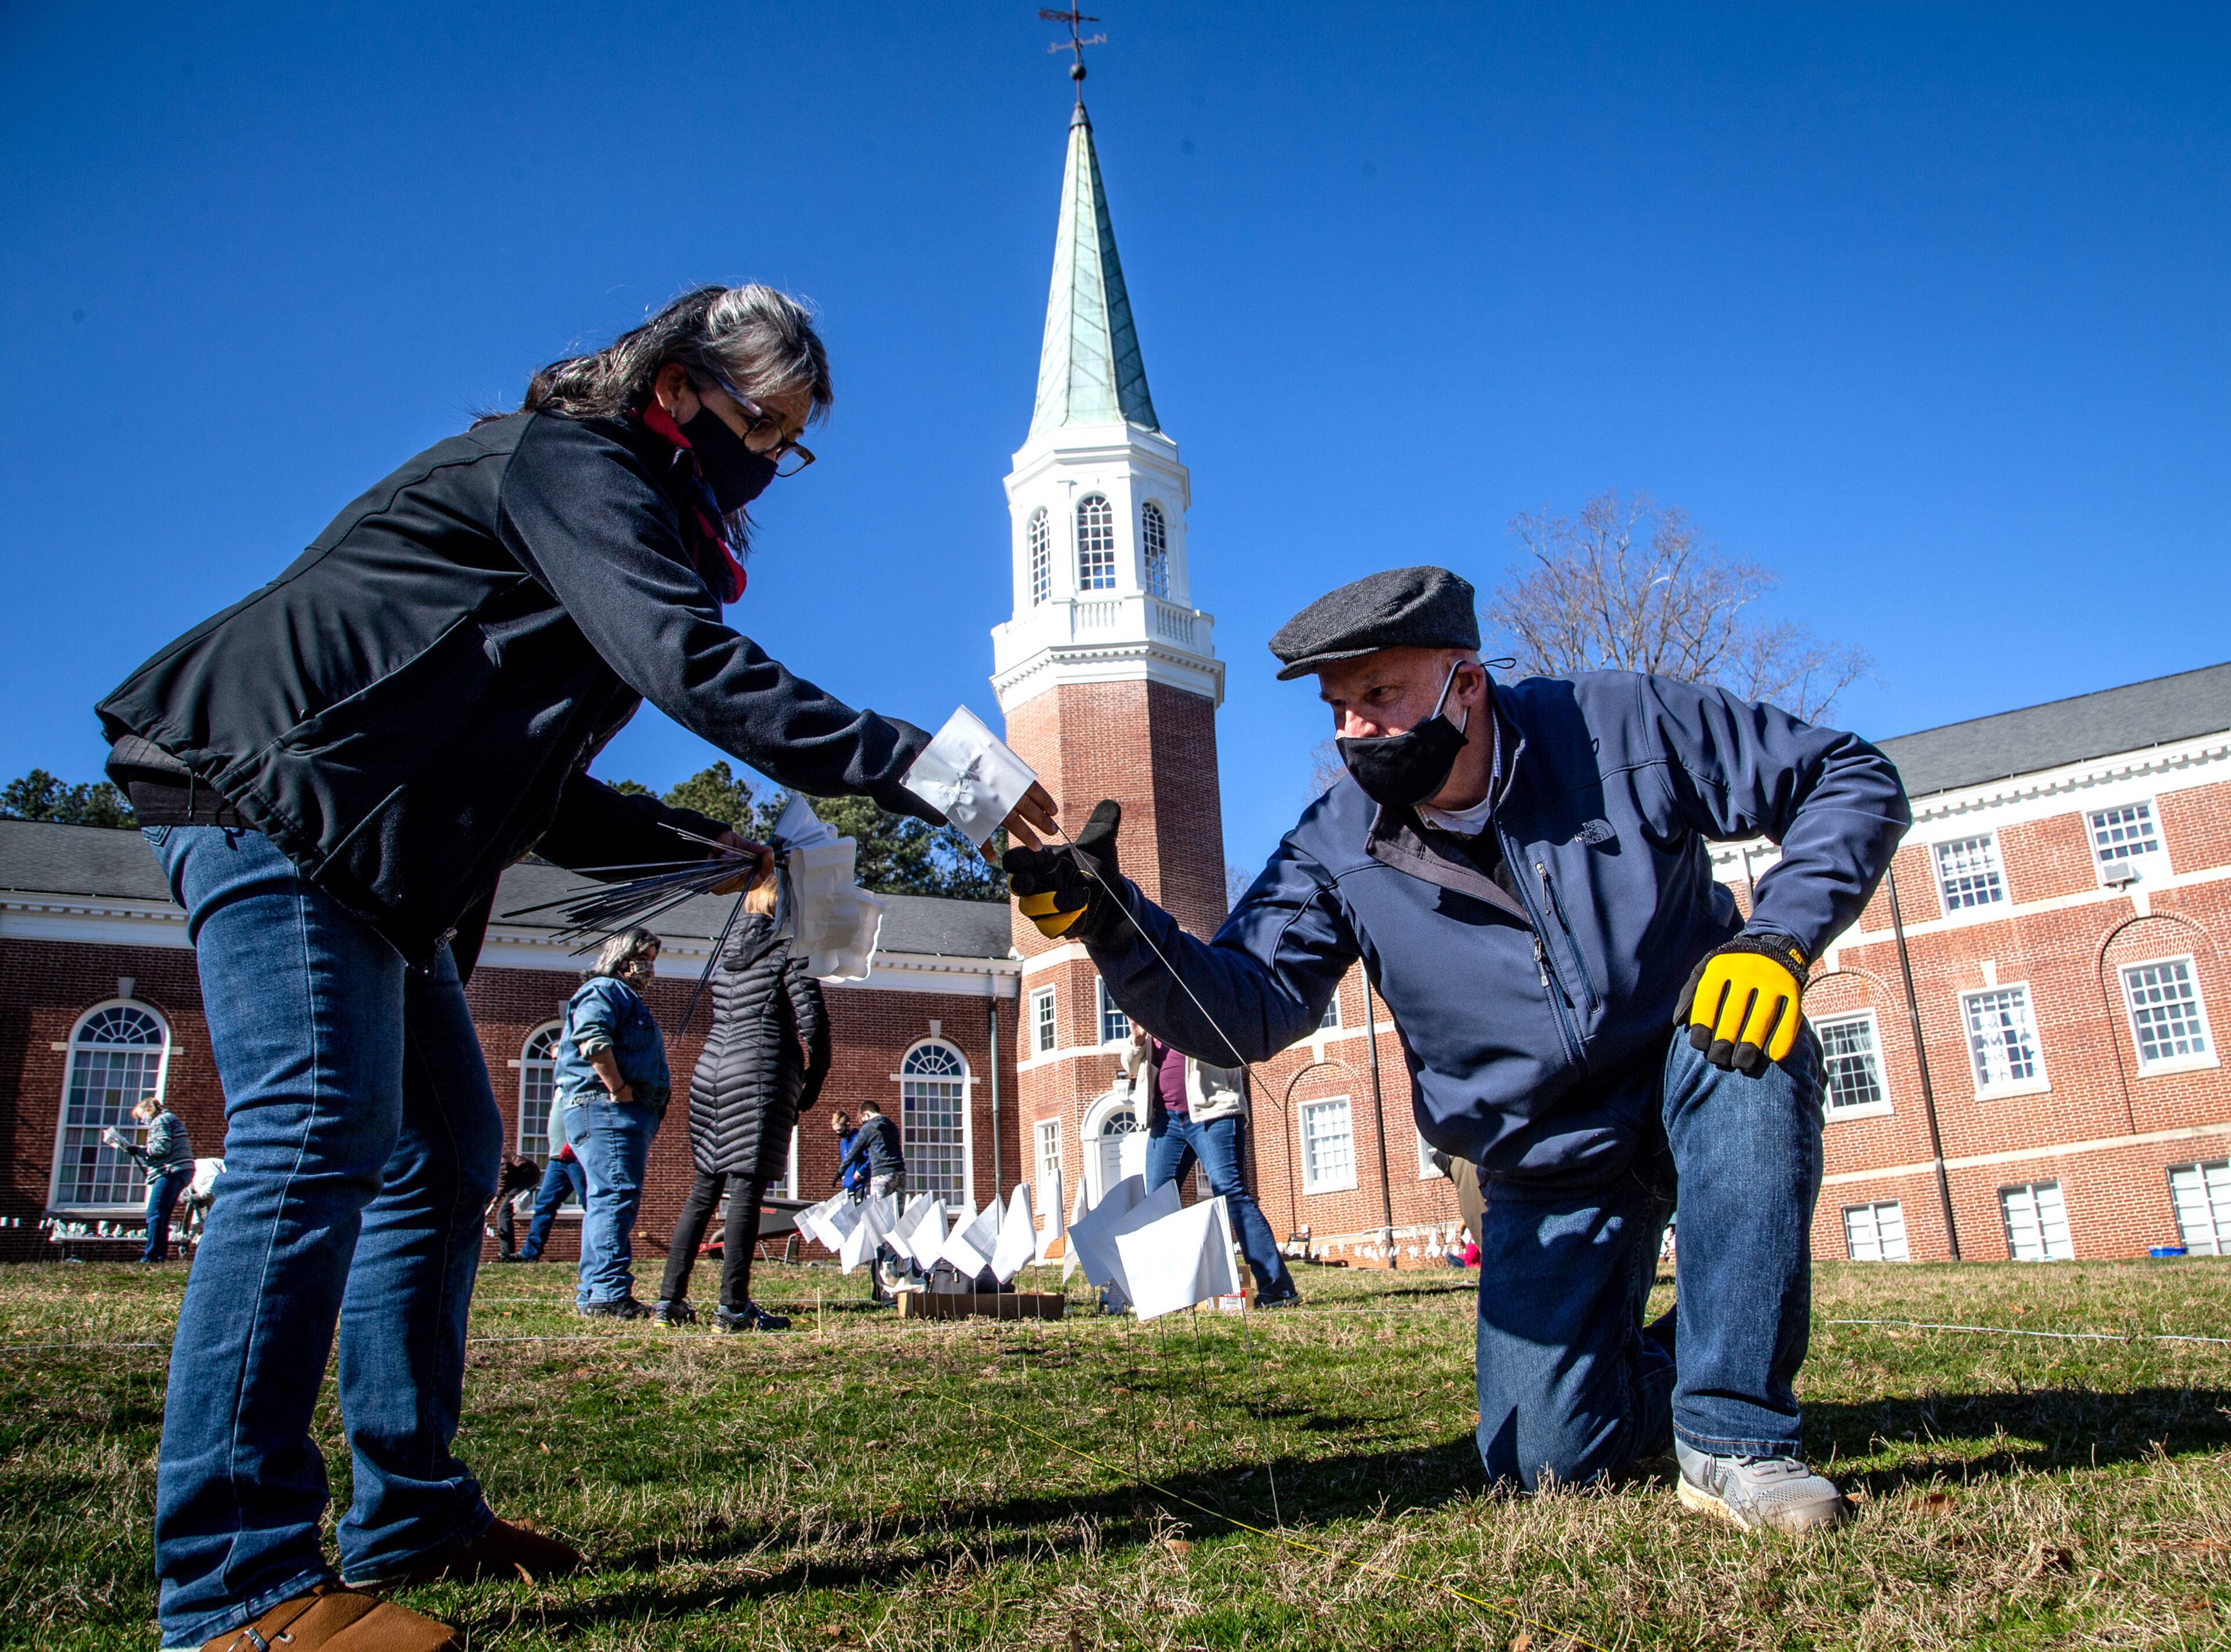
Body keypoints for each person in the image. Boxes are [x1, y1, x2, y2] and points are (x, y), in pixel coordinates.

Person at [94, 283, 1058, 1652]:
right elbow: (690, 664)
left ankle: (409, 1512)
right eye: (761, 428)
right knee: (314, 1134)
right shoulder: (578, 464)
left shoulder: (621, 508)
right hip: (274, 788)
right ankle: (235, 1592)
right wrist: (941, 773)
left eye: (788, 446)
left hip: (375, 840)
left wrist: (695, 841)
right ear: (676, 387)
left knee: (443, 1150)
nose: (767, 470)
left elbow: (534, 778)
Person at [1004, 565, 1909, 1535]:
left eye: (1380, 695)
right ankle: (1706, 1345)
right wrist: (1115, 925)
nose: (1355, 730)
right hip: (1544, 1157)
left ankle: (1736, 1438)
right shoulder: (1334, 848)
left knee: (1745, 1034)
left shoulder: (1618, 726)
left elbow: (1847, 775)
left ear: (1466, 680)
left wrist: (1778, 938)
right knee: (1543, 1463)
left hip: (1688, 1060)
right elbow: (1247, 1010)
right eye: (1339, 707)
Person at [654, 866, 830, 1331]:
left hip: (712, 1069)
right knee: (747, 1191)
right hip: (761, 1070)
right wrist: (812, 1084)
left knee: (704, 1188)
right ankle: (733, 1306)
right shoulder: (788, 944)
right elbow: (813, 1022)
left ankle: (669, 1300)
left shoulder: (727, 948)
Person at [1122, 1025, 1297, 1305]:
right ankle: (1165, 1296)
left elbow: (1237, 1044)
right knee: (1156, 1204)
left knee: (1231, 1193)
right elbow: (1130, 1064)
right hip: (1166, 1120)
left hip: (1214, 1111)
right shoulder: (1152, 1007)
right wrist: (1138, 1039)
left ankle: (1278, 1287)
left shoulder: (1207, 992)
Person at [554, 929, 670, 1318]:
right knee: (615, 1196)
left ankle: (594, 1291)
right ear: (622, 958)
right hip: (605, 1109)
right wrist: (618, 1089)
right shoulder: (604, 991)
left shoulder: (626, 998)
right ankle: (607, 1293)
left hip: (619, 1113)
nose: (649, 968)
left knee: (607, 1198)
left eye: (654, 959)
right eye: (644, 957)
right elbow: (592, 1038)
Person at [116, 1097, 195, 1263]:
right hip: (180, 1170)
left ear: (148, 1111)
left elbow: (162, 1148)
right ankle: (159, 1254)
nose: (142, 1121)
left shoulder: (160, 1121)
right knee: (163, 1214)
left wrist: (137, 1150)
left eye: (141, 1117)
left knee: (155, 1213)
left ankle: (151, 1256)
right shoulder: (169, 1118)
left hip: (170, 1171)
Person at [507, 1140, 586, 1263]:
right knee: (544, 1206)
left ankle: (606, 1253)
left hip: (578, 1156)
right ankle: (529, 1254)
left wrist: (572, 1143)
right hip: (556, 1159)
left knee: (592, 1204)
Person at [485, 1154, 543, 1262]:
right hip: (521, 1178)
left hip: (528, 1177)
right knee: (503, 1214)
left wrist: (497, 1196)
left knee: (503, 1214)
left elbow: (505, 1171)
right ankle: (507, 1252)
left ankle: (507, 1253)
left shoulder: (494, 1159)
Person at [830, 1111, 866, 1197]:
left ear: (848, 1125)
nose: (838, 1133)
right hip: (848, 1186)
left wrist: (860, 1172)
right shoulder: (843, 1143)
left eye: (840, 1130)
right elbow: (845, 1162)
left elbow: (869, 1159)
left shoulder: (859, 1139)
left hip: (860, 1185)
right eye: (836, 1131)